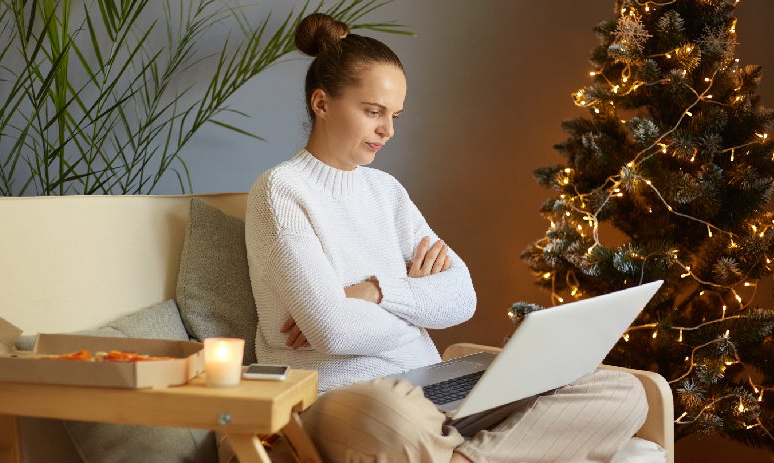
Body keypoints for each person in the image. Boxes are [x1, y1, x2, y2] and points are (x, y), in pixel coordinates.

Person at [244, 13, 647, 463]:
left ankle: (461, 458)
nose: (387, 131)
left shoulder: (386, 191)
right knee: (394, 413)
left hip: (430, 383)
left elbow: (461, 297)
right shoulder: (281, 191)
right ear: (321, 103)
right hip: (345, 397)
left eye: (394, 115)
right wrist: (413, 306)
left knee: (621, 390)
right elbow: (334, 331)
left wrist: (375, 291)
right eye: (373, 112)